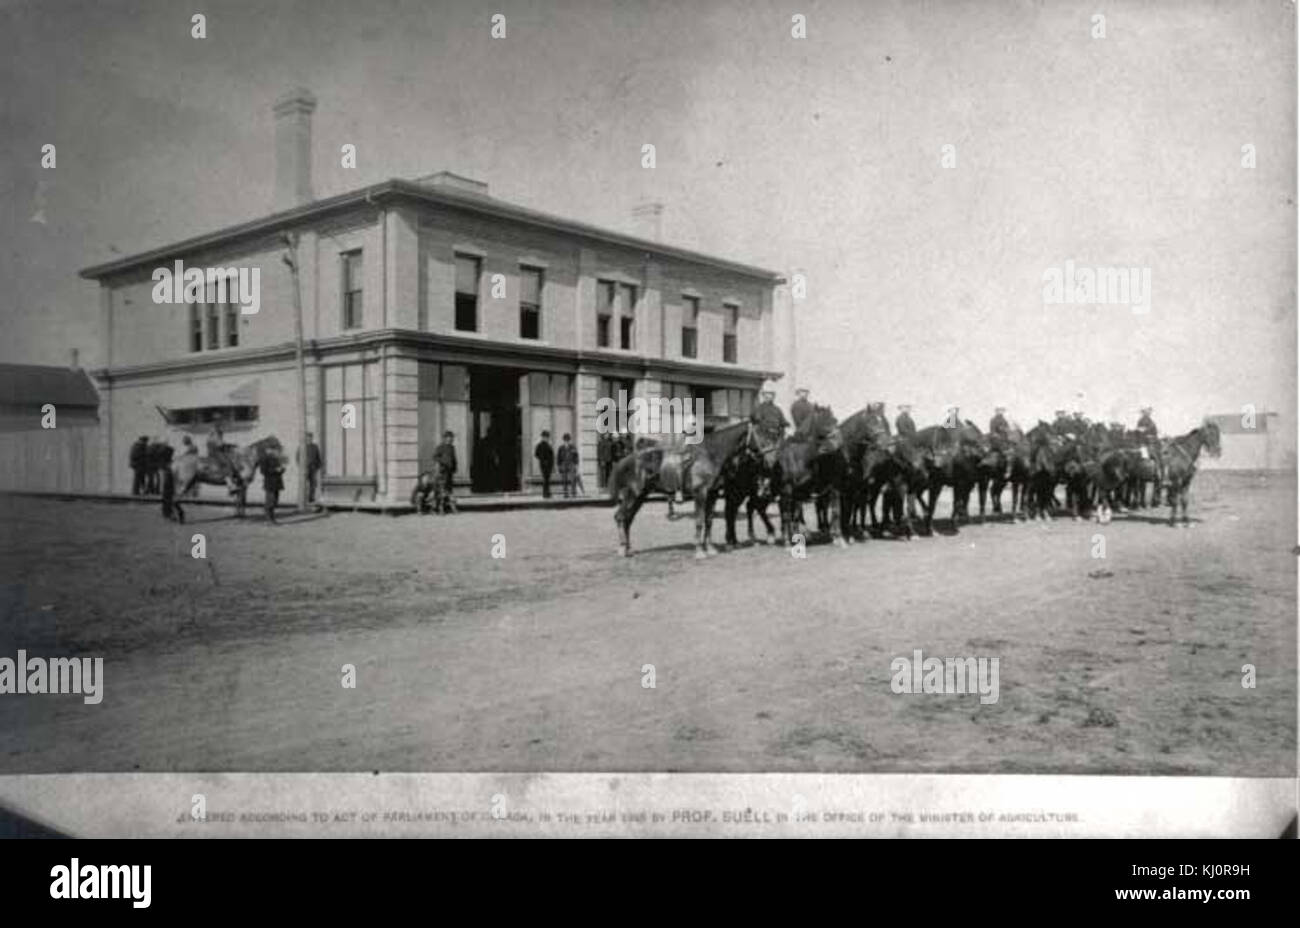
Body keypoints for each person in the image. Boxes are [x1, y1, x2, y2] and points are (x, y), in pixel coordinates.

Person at [432, 430, 458, 513]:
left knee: (449, 489)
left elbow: (454, 459)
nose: (450, 439)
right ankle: (440, 508)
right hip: (442, 471)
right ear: (444, 438)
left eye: (451, 438)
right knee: (441, 489)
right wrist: (442, 461)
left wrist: (454, 467)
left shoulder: (452, 448)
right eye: (448, 438)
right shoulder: (440, 447)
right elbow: (435, 457)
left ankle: (451, 507)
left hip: (449, 472)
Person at [300, 432, 322, 506]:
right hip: (305, 468)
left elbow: (318, 457)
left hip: (313, 468)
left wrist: (318, 467)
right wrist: (301, 467)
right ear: (305, 439)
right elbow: (298, 458)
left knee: (313, 484)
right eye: (308, 438)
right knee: (304, 484)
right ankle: (303, 499)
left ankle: (311, 498)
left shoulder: (315, 447)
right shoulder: (302, 447)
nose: (309, 439)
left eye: (310, 438)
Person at [261, 454, 285, 524]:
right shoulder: (265, 459)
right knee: (270, 501)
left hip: (276, 483)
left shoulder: (276, 458)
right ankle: (269, 519)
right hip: (270, 483)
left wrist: (282, 469)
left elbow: (280, 469)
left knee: (275, 501)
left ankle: (272, 518)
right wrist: (275, 470)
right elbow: (263, 471)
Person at [557, 433, 579, 498]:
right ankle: (565, 493)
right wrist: (559, 466)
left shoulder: (573, 447)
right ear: (563, 441)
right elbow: (558, 458)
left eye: (567, 440)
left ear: (569, 440)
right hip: (563, 464)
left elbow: (576, 456)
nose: (566, 442)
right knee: (564, 480)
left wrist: (576, 465)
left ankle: (573, 492)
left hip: (571, 464)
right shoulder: (560, 448)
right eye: (565, 440)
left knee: (573, 479)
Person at [534, 431, 555, 498]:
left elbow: (552, 455)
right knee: (546, 479)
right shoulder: (539, 445)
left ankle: (547, 493)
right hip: (543, 465)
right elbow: (536, 454)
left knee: (547, 479)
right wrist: (542, 459)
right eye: (545, 437)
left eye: (547, 437)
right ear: (542, 437)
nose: (546, 438)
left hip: (549, 465)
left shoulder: (548, 445)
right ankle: (546, 493)